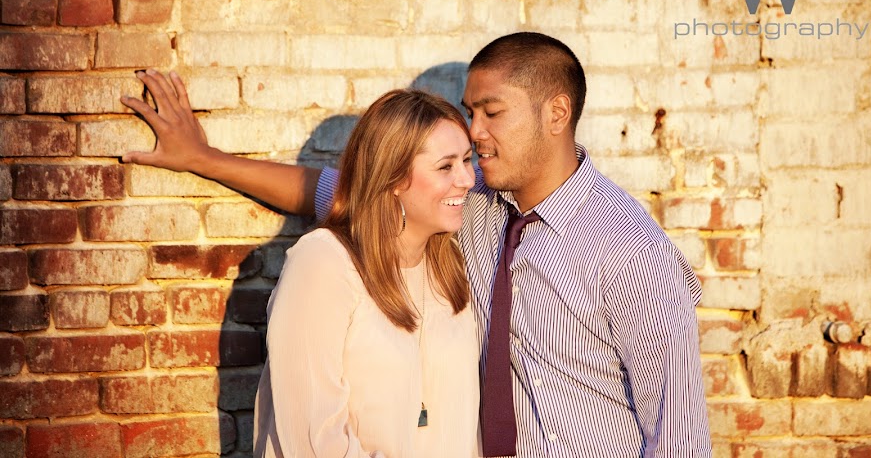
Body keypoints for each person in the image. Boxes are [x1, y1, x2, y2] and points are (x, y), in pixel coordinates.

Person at [122, 32, 711, 457]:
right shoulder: (469, 206)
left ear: (556, 113)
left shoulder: (633, 252)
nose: (476, 131)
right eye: (471, 112)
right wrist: (204, 159)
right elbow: (342, 190)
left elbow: (681, 435)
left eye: (492, 112)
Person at [215, 89, 480, 457]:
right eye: (446, 166)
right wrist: (203, 158)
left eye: (468, 160)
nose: (467, 180)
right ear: (392, 178)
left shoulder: (454, 268)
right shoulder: (324, 263)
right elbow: (312, 436)